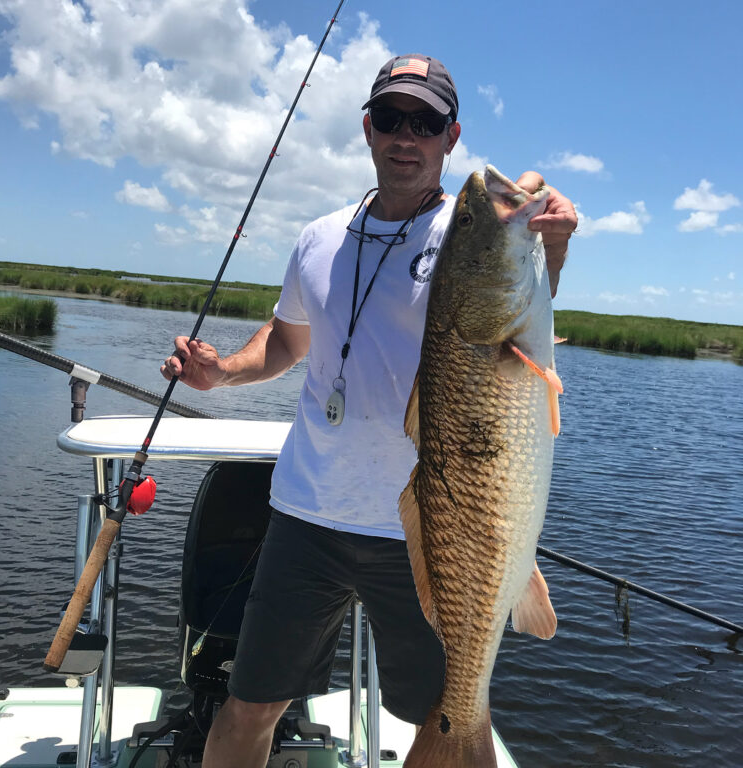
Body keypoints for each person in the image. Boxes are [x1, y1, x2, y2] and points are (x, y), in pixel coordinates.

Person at [162, 54, 577, 768]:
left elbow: (521, 309)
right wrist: (221, 372)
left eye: (426, 122)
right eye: (391, 118)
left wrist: (553, 242)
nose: (406, 135)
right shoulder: (319, 237)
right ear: (368, 129)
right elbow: (289, 341)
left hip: (425, 534)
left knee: (444, 716)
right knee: (249, 705)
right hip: (305, 515)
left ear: (451, 137)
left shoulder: (465, 235)